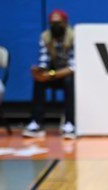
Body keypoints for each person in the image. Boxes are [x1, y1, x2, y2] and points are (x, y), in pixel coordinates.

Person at [22, 9, 76, 140]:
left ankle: (70, 123)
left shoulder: (74, 36)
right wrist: (39, 70)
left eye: (58, 23)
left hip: (69, 75)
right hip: (54, 73)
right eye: (52, 23)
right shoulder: (45, 36)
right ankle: (36, 122)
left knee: (69, 81)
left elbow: (73, 67)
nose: (55, 26)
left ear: (65, 23)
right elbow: (44, 60)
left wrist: (50, 74)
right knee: (39, 81)